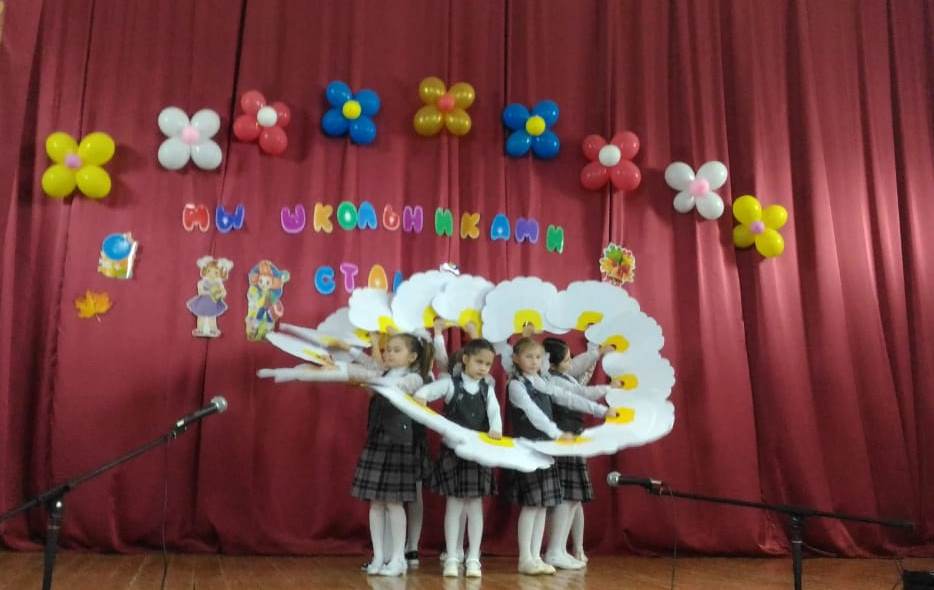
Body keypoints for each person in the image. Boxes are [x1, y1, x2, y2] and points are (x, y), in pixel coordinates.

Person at [257, 332, 433, 577]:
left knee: (394, 503)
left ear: (412, 356)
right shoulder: (382, 371)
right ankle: (378, 556)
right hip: (377, 442)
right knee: (376, 503)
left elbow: (394, 386)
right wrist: (343, 354)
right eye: (387, 349)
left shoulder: (414, 377)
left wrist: (356, 377)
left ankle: (398, 558)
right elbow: (365, 363)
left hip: (399, 445)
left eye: (396, 350)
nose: (389, 354)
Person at [504, 337, 619, 575]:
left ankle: (536, 556)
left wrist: (602, 410)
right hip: (529, 449)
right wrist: (557, 433)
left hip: (546, 450)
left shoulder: (541, 381)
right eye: (528, 357)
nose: (534, 362)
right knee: (531, 505)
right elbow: (534, 414)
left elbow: (568, 397)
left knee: (542, 505)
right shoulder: (516, 385)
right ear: (515, 358)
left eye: (538, 357)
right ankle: (525, 557)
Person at [414, 338, 501, 578]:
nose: (483, 368)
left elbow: (495, 413)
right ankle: (452, 556)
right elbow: (426, 392)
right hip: (453, 453)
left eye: (488, 364)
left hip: (477, 454)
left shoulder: (487, 389)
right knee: (453, 506)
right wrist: (421, 397)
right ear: (465, 359)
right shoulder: (450, 384)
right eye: (479, 362)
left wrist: (496, 429)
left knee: (475, 506)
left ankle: (473, 558)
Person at [541, 337, 611, 569]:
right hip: (564, 438)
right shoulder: (552, 380)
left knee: (573, 497)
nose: (571, 363)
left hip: (573, 437)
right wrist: (609, 389)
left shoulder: (563, 375)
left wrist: (595, 352)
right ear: (551, 363)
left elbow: (580, 367)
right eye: (566, 360)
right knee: (566, 496)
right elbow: (579, 393)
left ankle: (560, 549)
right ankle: (554, 550)